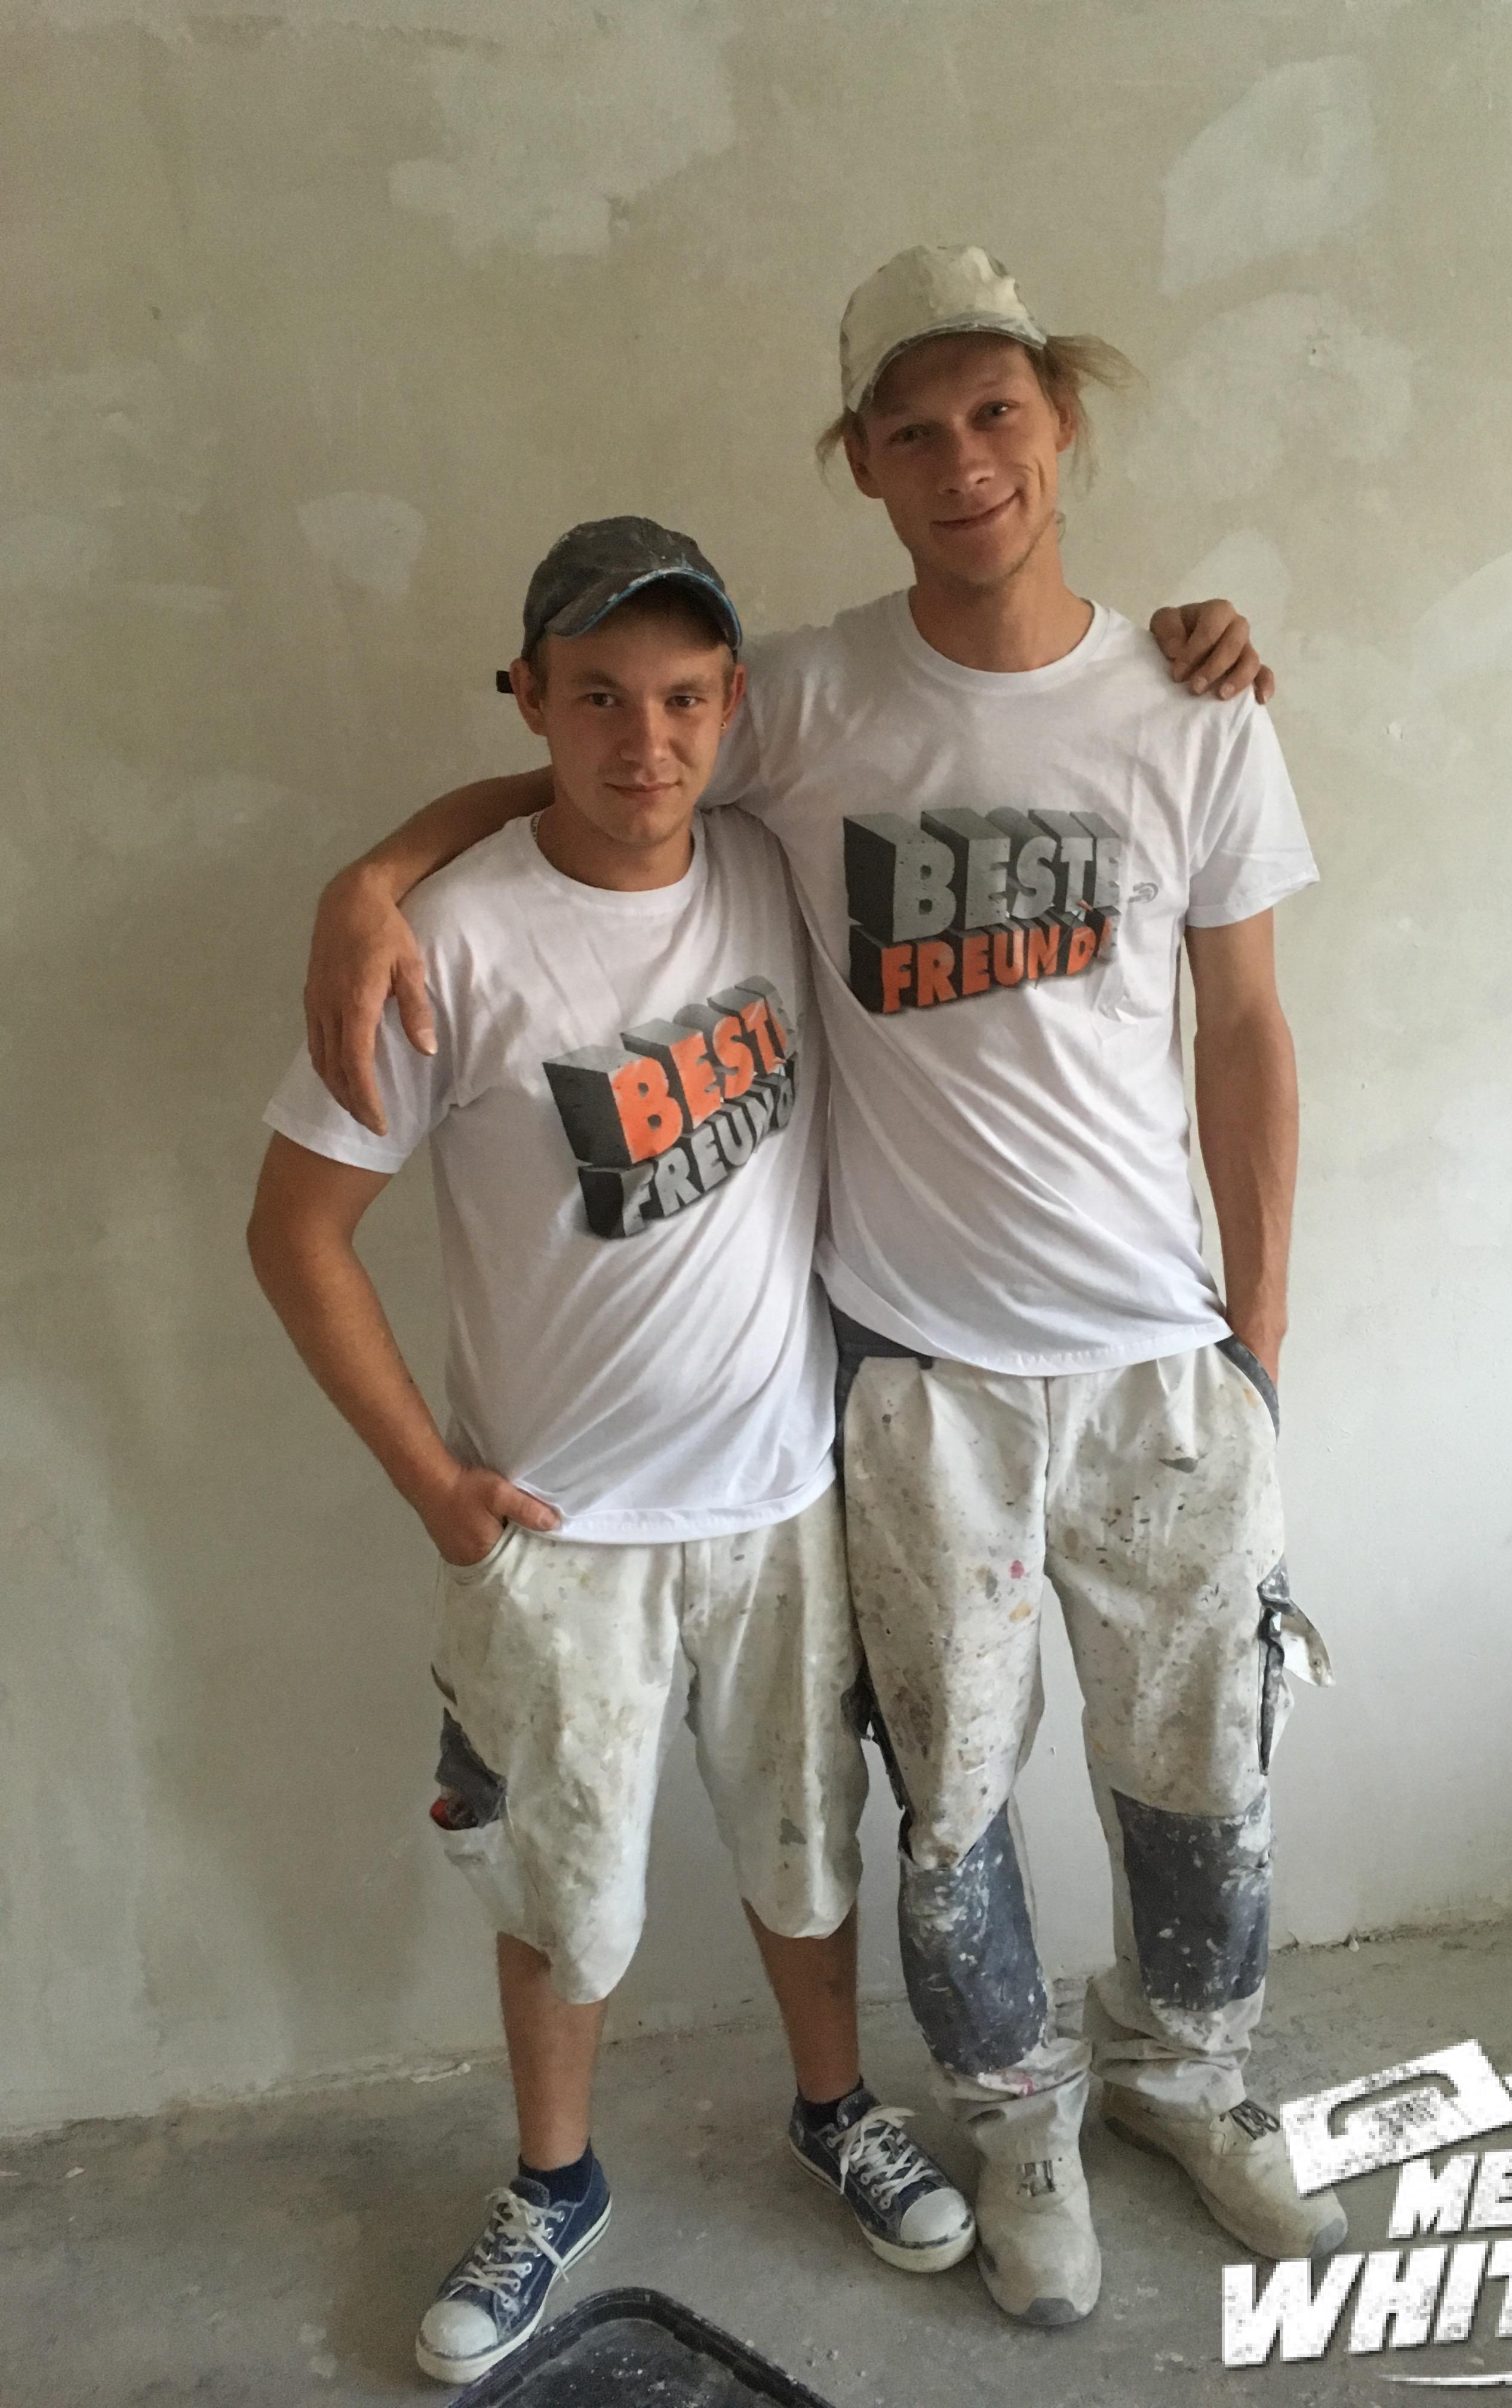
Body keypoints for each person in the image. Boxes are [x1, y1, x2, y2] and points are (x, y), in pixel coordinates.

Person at [302, 245, 1326, 2331]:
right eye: (912, 429)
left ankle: (1186, 2078)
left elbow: (1247, 1033)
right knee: (949, 1802)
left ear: (1062, 421)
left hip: (1162, 1353)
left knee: (1202, 1765)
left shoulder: (1194, 707)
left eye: (997, 413)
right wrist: (373, 875)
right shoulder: (810, 698)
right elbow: (610, 753)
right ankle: (1018, 2128)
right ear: (861, 462)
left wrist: (1263, 1332)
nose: (964, 462)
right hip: (921, 1372)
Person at [247, 519, 975, 2389]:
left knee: (806, 1846)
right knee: (565, 1894)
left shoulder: (770, 864)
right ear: (528, 701)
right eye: (595, 700)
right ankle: (553, 2181)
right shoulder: (453, 941)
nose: (642, 743)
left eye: (681, 700)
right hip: (558, 1531)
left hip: (780, 1493)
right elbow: (294, 1232)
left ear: (730, 707)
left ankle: (837, 2111)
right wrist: (437, 1490)